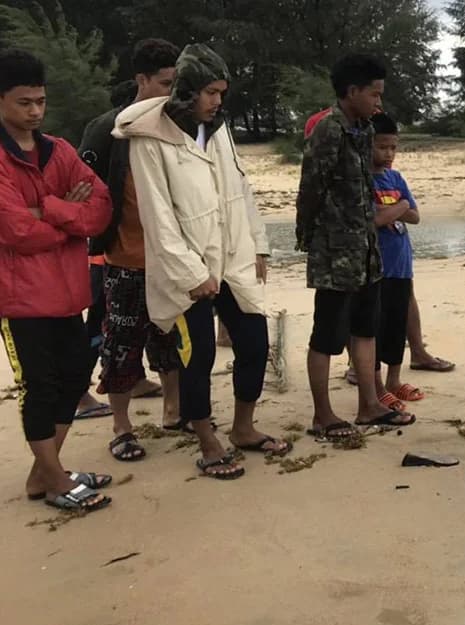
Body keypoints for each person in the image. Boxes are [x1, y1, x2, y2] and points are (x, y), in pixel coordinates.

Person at [116, 43, 289, 481]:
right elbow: (158, 217)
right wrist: (193, 274)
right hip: (186, 272)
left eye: (222, 92)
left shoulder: (219, 129)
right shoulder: (150, 138)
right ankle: (207, 440)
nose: (217, 101)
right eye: (210, 92)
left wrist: (258, 245)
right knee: (199, 356)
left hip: (232, 258)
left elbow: (240, 189)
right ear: (188, 89)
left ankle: (244, 428)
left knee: (253, 342)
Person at [0, 49, 114, 511]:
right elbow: (14, 230)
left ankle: (44, 475)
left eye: (40, 101)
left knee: (72, 381)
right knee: (41, 387)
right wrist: (68, 213)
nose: (34, 111)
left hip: (69, 293)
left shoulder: (60, 151)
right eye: (24, 102)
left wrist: (48, 207)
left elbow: (100, 209)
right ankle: (56, 480)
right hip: (21, 299)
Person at [77, 38, 183, 463]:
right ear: (140, 79)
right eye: (164, 83)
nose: (170, 93)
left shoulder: (176, 125)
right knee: (120, 343)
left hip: (171, 261)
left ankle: (174, 413)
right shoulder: (108, 129)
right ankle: (121, 428)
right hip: (122, 259)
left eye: (175, 84)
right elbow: (84, 189)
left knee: (171, 340)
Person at [297, 53, 404, 439]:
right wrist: (308, 239)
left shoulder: (363, 130)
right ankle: (323, 415)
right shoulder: (328, 130)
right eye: (374, 94)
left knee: (366, 328)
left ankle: (369, 405)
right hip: (335, 253)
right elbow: (311, 188)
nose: (379, 102)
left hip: (366, 249)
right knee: (326, 334)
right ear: (352, 91)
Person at [365, 112, 422, 417]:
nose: (388, 154)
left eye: (393, 148)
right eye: (382, 146)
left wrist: (399, 210)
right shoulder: (364, 179)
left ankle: (394, 379)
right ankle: (376, 387)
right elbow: (378, 218)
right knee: (375, 326)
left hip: (401, 264)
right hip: (377, 267)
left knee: (397, 324)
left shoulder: (396, 178)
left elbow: (416, 215)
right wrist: (400, 206)